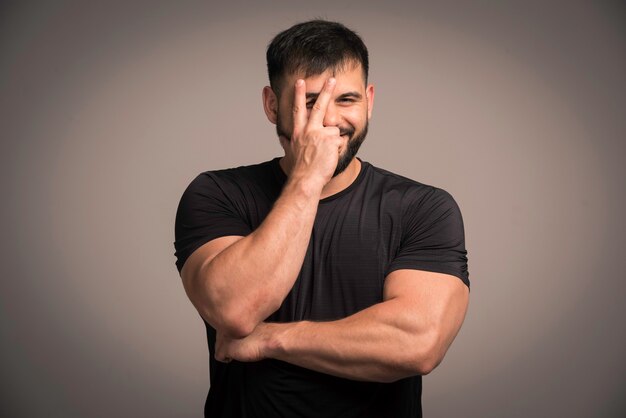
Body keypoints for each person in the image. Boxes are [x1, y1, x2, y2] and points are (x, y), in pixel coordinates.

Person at [174, 19, 470, 418]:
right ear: (272, 104)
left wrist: (270, 340)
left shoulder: (423, 208)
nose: (328, 120)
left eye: (346, 100)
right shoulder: (218, 194)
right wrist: (307, 178)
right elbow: (236, 309)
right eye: (310, 102)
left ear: (370, 100)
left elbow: (416, 343)